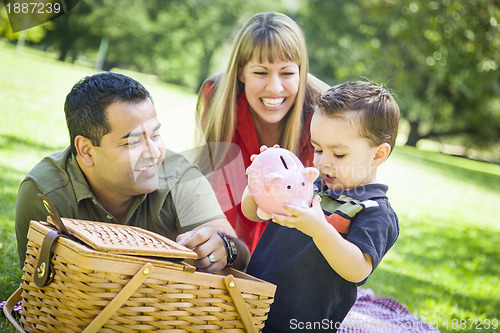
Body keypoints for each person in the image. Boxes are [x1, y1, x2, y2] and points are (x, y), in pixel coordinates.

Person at [15, 72, 249, 273]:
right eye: (133, 142)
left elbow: (240, 255)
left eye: (155, 135)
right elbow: (41, 285)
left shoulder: (182, 179)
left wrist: (225, 249)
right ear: (85, 150)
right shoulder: (45, 191)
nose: (154, 152)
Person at [242, 80, 401, 332]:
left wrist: (320, 231)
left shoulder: (373, 210)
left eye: (338, 155)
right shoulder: (309, 186)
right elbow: (252, 213)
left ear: (378, 154)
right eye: (317, 149)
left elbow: (357, 269)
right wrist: (259, 184)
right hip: (251, 306)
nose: (324, 163)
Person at [195, 12, 329, 252]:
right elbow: (217, 189)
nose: (275, 87)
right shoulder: (217, 96)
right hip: (232, 234)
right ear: (241, 72)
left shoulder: (322, 110)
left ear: (301, 71)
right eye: (260, 72)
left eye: (287, 73)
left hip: (296, 246)